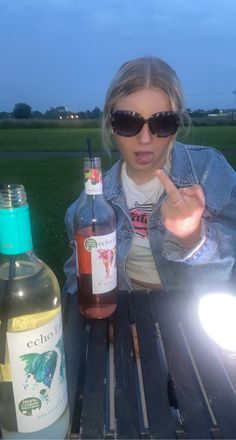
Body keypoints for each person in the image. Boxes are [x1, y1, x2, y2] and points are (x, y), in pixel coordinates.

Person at [63, 56, 236, 294]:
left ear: (177, 124)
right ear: (110, 125)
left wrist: (194, 237)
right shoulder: (88, 208)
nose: (145, 139)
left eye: (162, 122)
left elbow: (228, 269)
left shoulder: (209, 171)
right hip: (126, 311)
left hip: (195, 311)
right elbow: (79, 282)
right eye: (127, 122)